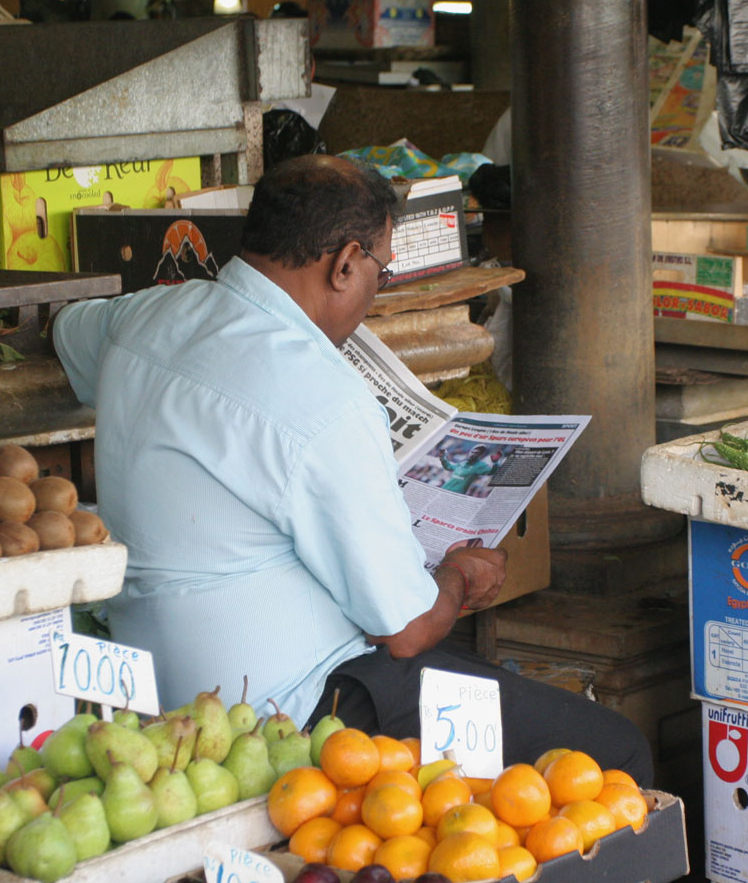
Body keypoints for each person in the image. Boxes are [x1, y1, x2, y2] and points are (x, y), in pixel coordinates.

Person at [52, 155, 654, 785]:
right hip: (302, 716)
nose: (375, 291)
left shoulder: (140, 320)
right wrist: (454, 577)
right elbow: (408, 630)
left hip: (164, 689)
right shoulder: (324, 398)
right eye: (381, 272)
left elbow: (67, 331)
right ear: (344, 264)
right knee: (614, 752)